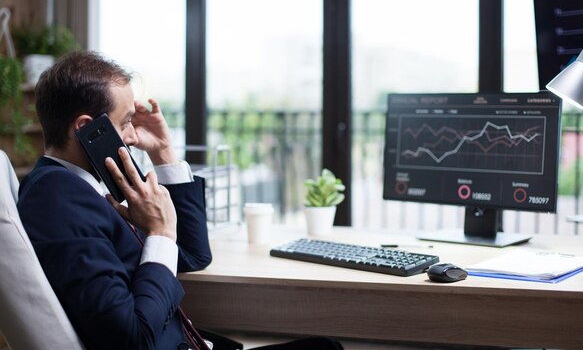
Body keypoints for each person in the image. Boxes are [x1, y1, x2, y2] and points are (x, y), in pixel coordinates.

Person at [17, 51, 343, 350]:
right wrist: (160, 233)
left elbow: (193, 255)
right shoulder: (58, 200)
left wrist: (163, 153)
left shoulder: (85, 188)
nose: (132, 137)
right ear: (87, 129)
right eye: (126, 121)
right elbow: (132, 337)